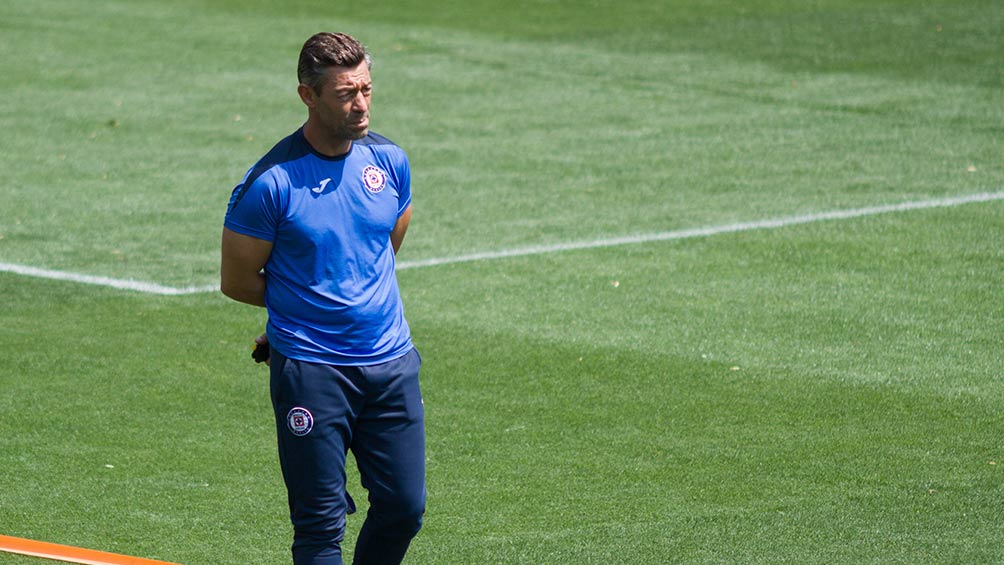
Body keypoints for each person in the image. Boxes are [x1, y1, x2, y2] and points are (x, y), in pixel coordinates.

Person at [220, 32, 424, 565]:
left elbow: (383, 243)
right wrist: (294, 309)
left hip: (391, 363)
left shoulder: (390, 161)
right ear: (308, 96)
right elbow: (238, 281)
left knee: (404, 507)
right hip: (312, 369)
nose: (360, 105)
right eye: (344, 93)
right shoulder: (271, 183)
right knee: (320, 525)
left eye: (367, 90)